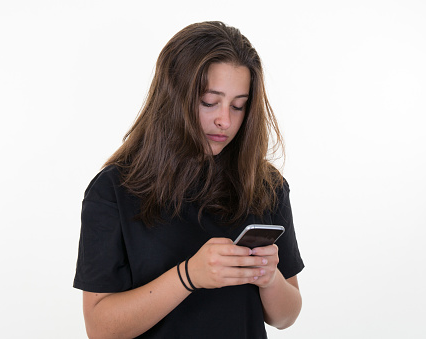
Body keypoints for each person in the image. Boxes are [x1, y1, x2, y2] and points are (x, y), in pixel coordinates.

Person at [73, 21, 304, 339]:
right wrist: (188, 276)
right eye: (210, 102)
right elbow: (100, 328)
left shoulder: (266, 186)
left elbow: (286, 316)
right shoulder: (113, 191)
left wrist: (269, 278)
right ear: (173, 97)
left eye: (238, 106)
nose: (225, 120)